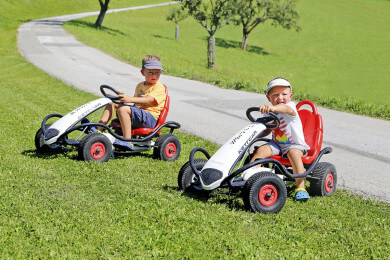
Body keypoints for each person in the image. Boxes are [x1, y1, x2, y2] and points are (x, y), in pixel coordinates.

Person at [250, 77, 311, 201]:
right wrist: (252, 135)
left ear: (290, 96)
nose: (280, 98)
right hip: (277, 144)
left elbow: (286, 109)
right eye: (275, 95)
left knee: (293, 152)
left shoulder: (290, 107)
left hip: (295, 145)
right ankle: (250, 177)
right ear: (268, 98)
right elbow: (267, 130)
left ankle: (300, 188)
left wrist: (272, 108)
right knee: (261, 150)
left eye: (284, 94)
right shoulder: (269, 113)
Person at [98, 54, 167, 151]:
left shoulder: (159, 87)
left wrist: (129, 99)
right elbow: (136, 104)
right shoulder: (140, 86)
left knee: (123, 110)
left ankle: (127, 141)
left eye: (157, 73)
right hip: (139, 115)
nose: (154, 76)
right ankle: (98, 129)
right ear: (143, 72)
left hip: (150, 118)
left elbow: (149, 100)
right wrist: (123, 99)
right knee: (112, 102)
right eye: (150, 72)